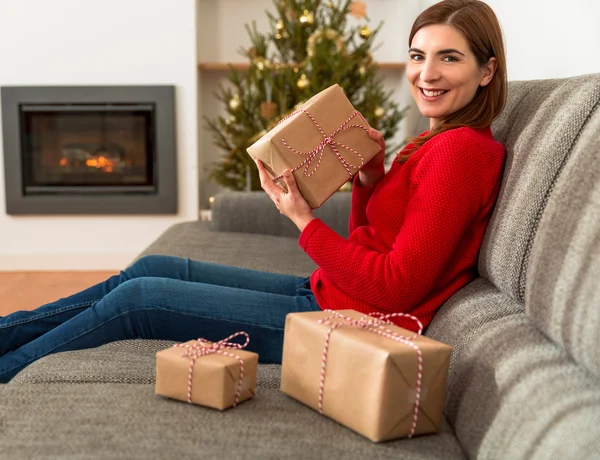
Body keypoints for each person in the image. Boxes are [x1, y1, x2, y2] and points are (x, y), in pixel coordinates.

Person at [0, 0, 507, 383]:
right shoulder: (433, 141)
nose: (427, 73)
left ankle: (10, 369)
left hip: (350, 325)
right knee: (157, 269)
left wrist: (303, 219)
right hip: (329, 294)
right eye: (418, 55)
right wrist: (371, 178)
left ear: (486, 71)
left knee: (140, 298)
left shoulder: (460, 151)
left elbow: (395, 286)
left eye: (449, 58)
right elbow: (372, 239)